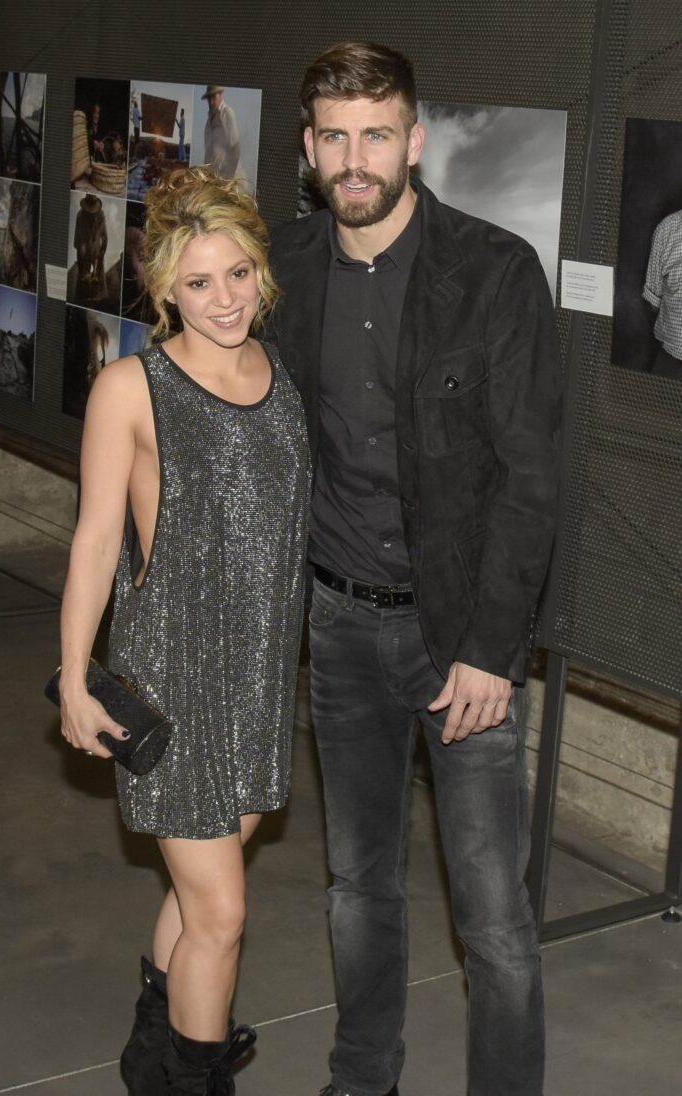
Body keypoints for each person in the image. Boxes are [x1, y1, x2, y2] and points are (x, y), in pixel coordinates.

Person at [268, 42, 562, 1096]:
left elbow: (529, 479)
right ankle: (362, 1078)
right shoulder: (283, 266)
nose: (355, 158)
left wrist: (490, 650)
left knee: (492, 916)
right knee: (358, 885)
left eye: (375, 134)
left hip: (458, 641)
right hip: (339, 626)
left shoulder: (490, 273)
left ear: (413, 141)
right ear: (308, 147)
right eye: (334, 137)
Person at [58, 166, 310, 1095]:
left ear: (260, 271)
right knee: (222, 915)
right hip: (171, 675)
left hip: (256, 679)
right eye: (198, 282)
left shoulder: (280, 376)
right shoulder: (131, 386)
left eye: (237, 273)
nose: (223, 299)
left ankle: (152, 1043)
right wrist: (76, 675)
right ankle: (198, 1076)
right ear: (163, 286)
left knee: (202, 890)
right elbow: (93, 540)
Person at [642, 209, 682, 378]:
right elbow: (652, 302)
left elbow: (653, 304)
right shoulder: (667, 228)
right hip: (672, 364)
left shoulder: (668, 227)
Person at [201, 85, 247, 188]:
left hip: (228, 179)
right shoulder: (209, 120)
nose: (211, 102)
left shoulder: (227, 113)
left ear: (220, 95)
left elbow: (235, 147)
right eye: (209, 99)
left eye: (214, 98)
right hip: (213, 178)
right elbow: (208, 150)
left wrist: (227, 179)